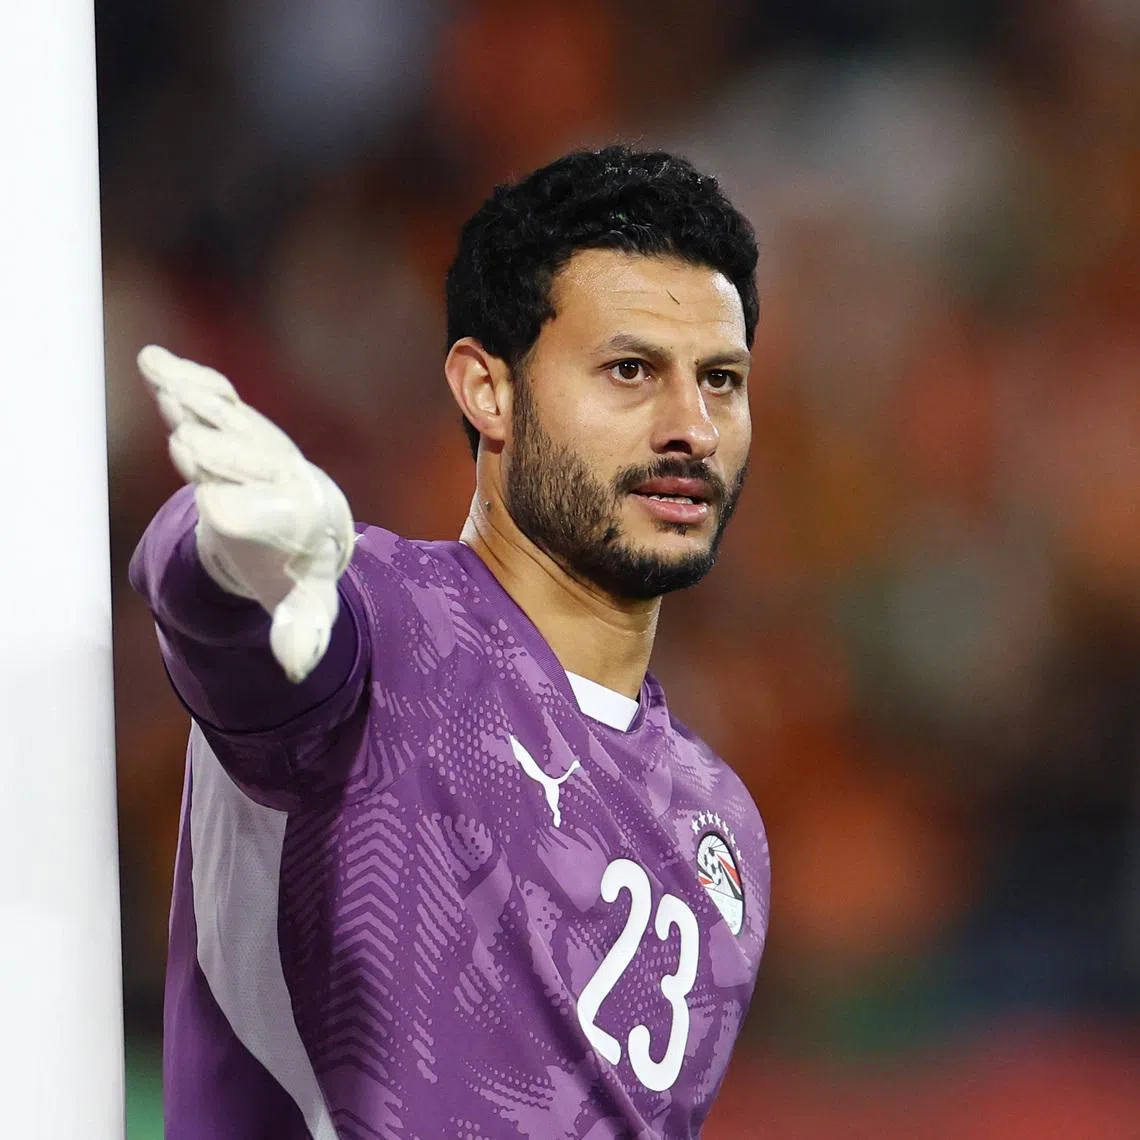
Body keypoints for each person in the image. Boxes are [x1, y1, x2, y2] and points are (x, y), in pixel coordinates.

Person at [131, 145, 771, 1140]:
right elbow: (236, 627)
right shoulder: (379, 625)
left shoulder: (720, 826)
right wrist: (223, 547)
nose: (690, 424)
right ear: (489, 389)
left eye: (721, 380)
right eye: (632, 369)